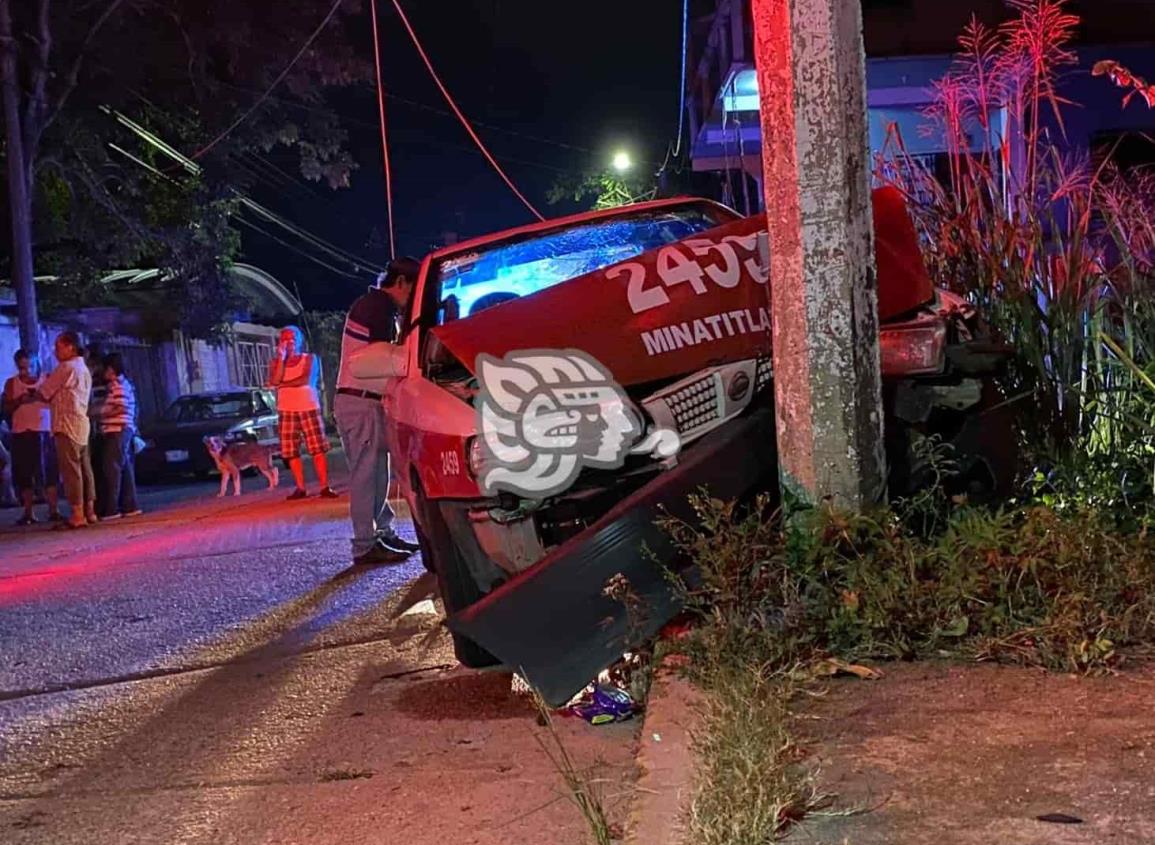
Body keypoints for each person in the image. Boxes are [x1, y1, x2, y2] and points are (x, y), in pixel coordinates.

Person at [333, 257, 422, 566]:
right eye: (413, 289)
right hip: (360, 401)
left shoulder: (378, 305)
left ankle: (383, 533)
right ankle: (364, 545)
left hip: (366, 400)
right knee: (366, 475)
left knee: (378, 472)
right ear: (401, 283)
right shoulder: (379, 306)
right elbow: (382, 356)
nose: (412, 299)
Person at [267, 325, 336, 500]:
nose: (289, 342)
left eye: (292, 338)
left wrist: (283, 384)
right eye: (285, 339)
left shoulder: (310, 358)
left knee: (317, 448)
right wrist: (282, 360)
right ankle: (300, 487)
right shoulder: (276, 363)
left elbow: (305, 379)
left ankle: (324, 486)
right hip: (286, 409)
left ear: (299, 340)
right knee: (291, 451)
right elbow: (275, 380)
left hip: (308, 407)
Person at [38, 332, 96, 529]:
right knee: (85, 469)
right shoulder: (83, 368)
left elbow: (44, 392)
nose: (55, 351)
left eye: (58, 347)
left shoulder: (66, 367)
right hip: (81, 423)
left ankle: (77, 514)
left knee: (71, 471)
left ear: (70, 347)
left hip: (66, 425)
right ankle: (90, 510)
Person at [2, 349, 61, 525]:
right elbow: (5, 408)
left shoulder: (47, 379)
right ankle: (28, 512)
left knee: (50, 472)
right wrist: (19, 400)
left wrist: (40, 396)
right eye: (21, 368)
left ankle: (53, 510)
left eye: (29, 367)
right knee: (24, 473)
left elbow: (58, 400)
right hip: (22, 432)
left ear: (36, 364)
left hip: (44, 431)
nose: (26, 372)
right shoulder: (12, 383)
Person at [94, 352, 142, 519]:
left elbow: (120, 407)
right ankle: (130, 505)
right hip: (122, 430)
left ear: (111, 369)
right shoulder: (121, 384)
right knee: (124, 469)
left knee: (112, 469)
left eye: (104, 369)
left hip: (117, 430)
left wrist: (100, 415)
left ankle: (112, 509)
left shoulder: (118, 385)